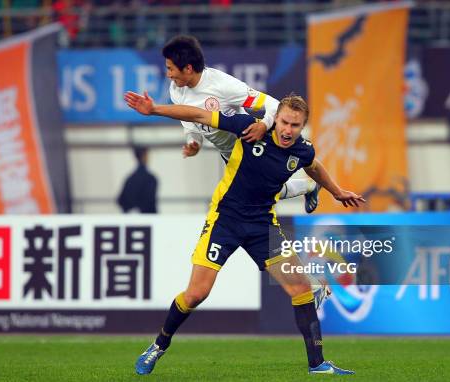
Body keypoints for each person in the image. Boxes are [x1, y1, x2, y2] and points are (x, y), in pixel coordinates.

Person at [124, 90, 364, 375]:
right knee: (196, 294)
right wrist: (155, 110)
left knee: (301, 289)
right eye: (285, 122)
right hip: (225, 219)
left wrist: (337, 192)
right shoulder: (249, 128)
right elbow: (200, 114)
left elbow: (314, 166)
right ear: (277, 119)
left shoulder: (302, 149)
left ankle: (318, 365)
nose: (288, 130)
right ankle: (158, 345)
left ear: (302, 126)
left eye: (295, 125)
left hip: (262, 224)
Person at [162, 35, 322, 213]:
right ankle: (309, 186)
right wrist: (194, 142)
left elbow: (275, 105)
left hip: (249, 144)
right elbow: (191, 124)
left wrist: (263, 125)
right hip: (228, 154)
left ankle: (309, 182)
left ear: (188, 68)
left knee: (258, 193)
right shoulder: (176, 90)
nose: (168, 74)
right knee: (261, 192)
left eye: (170, 69)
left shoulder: (223, 85)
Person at [117, 146, 158, 213]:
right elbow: (149, 202)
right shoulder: (150, 179)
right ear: (144, 156)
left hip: (131, 220)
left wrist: (132, 209)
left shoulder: (130, 179)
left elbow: (120, 200)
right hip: (148, 218)